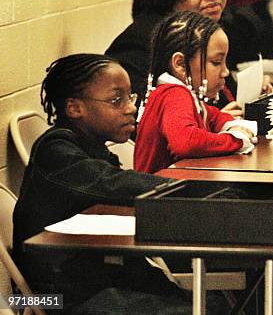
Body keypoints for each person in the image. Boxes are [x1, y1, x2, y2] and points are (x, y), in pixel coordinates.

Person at [12, 54, 227, 314]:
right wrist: (191, 188)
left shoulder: (92, 145)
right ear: (74, 108)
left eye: (130, 97)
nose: (130, 108)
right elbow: (113, 183)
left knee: (211, 303)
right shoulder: (55, 150)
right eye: (116, 100)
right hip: (53, 295)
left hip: (96, 275)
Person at [105, 0, 273, 120]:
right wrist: (210, 123)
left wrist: (254, 98)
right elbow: (145, 124)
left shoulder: (211, 30)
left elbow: (224, 102)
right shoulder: (140, 44)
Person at [134, 10, 257, 174]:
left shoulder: (184, 95)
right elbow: (186, 142)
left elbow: (214, 116)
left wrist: (231, 125)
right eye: (216, 62)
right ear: (181, 64)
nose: (225, 71)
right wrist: (235, 140)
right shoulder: (174, 94)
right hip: (161, 195)